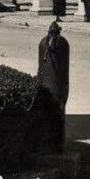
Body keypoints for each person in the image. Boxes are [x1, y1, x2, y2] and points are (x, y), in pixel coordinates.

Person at [36, 21, 70, 153]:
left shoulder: (55, 44)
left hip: (56, 85)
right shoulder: (51, 43)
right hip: (54, 86)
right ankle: (54, 144)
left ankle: (55, 145)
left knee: (55, 111)